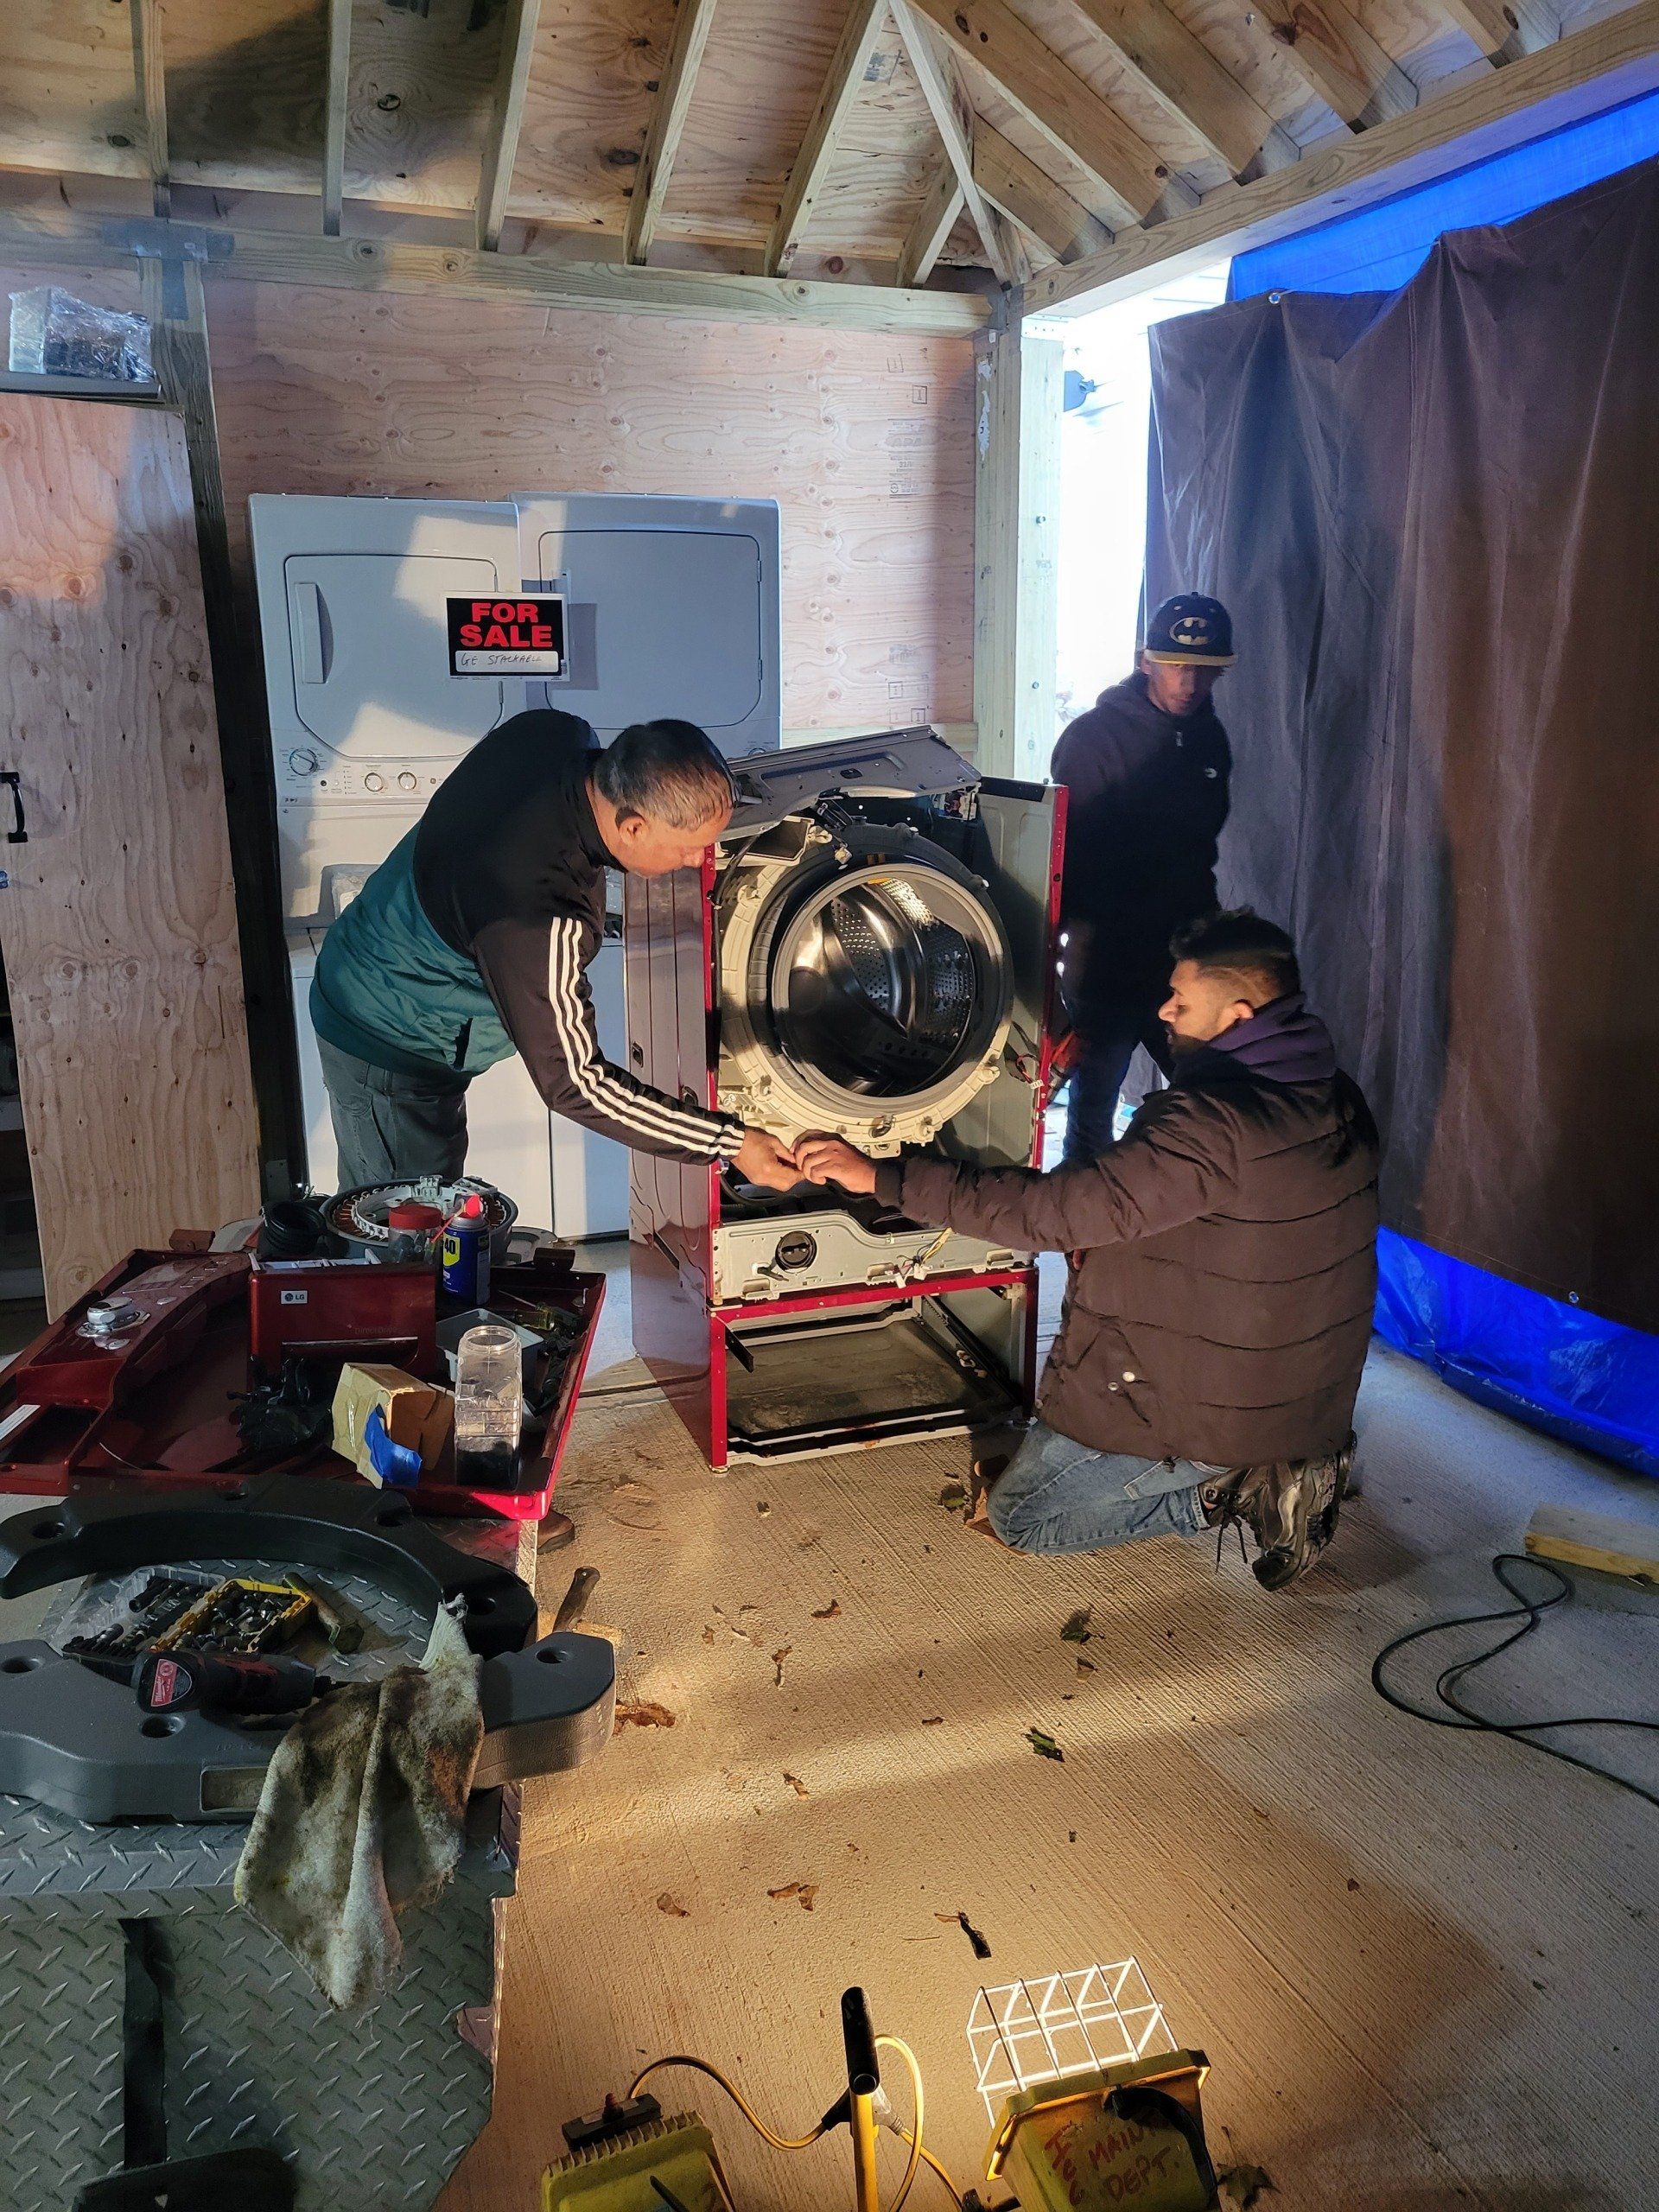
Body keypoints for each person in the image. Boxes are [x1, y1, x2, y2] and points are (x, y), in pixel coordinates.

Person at [794, 911, 1379, 1590]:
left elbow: (1049, 1215)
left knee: (1024, 1518)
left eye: (1181, 1000)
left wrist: (879, 1176)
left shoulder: (1212, 1126)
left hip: (1217, 1408)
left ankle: (1230, 1490)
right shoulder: (1331, 1092)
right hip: (1301, 1389)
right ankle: (1278, 1456)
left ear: (1239, 1016)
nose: (1163, 1008)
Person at [310, 708, 798, 1194]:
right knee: (408, 1236)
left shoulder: (550, 732)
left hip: (376, 950)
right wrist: (730, 1142)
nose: (698, 860)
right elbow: (575, 1085)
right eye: (686, 848)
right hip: (390, 1042)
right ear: (632, 827)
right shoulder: (535, 917)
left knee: (392, 1223)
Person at [1052, 592, 1236, 1161]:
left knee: (1205, 1087)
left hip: (1182, 954)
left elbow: (1202, 848)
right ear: (1145, 660)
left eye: (1206, 670)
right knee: (1094, 1103)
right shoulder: (1092, 739)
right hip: (1107, 956)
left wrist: (1209, 942)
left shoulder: (1210, 737)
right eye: (1178, 665)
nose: (1191, 682)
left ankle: (1186, 1212)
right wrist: (1068, 951)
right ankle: (1083, 1234)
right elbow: (1066, 859)